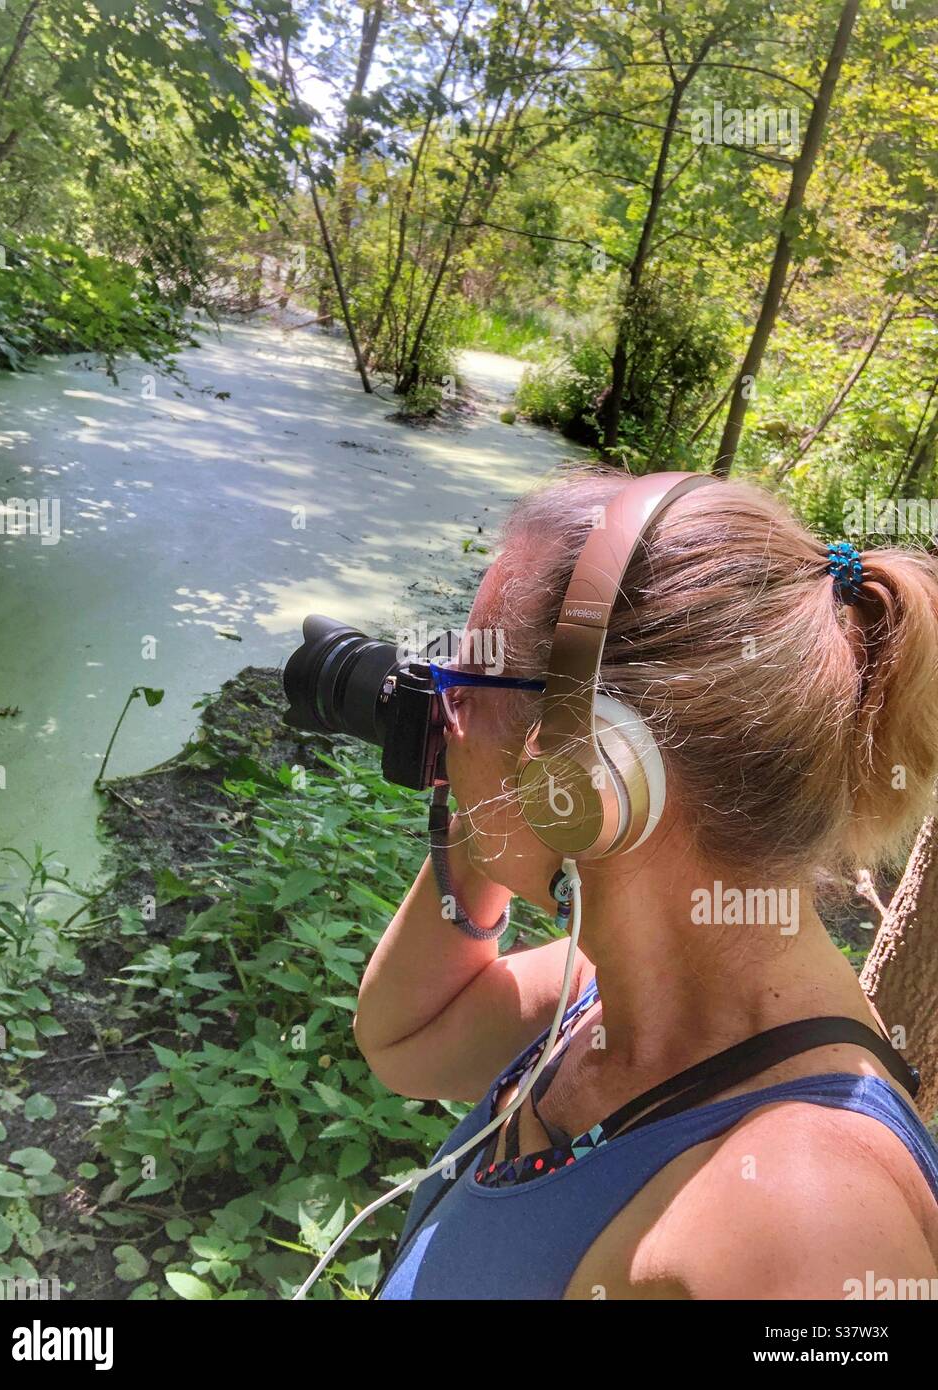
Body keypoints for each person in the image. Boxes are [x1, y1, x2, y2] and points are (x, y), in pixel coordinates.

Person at [354, 467, 938, 1300]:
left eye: (465, 680)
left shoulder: (799, 1225)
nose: (439, 706)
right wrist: (492, 804)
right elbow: (404, 1040)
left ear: (590, 769)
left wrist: (509, 785)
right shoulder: (611, 992)